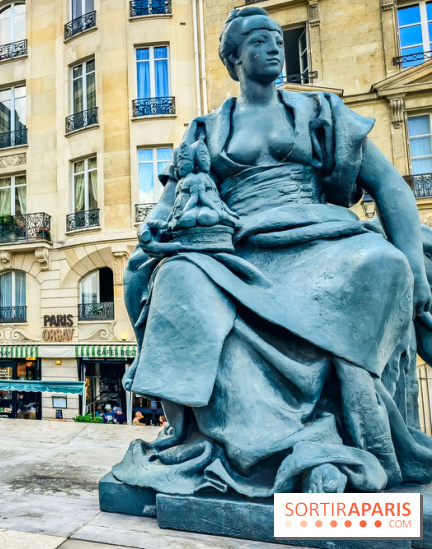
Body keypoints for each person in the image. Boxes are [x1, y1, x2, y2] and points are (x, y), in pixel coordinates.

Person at [113, 7, 432, 497]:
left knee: (384, 263)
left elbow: (389, 185)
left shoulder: (320, 112)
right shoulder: (207, 130)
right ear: (234, 59)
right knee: (178, 278)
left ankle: (339, 436)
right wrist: (154, 229)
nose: (274, 48)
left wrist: (414, 261)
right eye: (259, 41)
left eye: (278, 40)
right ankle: (275, 449)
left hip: (318, 235)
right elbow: (171, 202)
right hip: (238, 248)